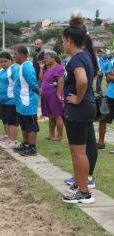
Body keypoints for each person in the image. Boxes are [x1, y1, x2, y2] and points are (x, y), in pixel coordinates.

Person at [61, 16, 97, 204]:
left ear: (68, 40)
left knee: (78, 152)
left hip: (80, 109)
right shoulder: (85, 55)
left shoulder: (77, 59)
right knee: (81, 149)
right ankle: (80, 185)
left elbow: (82, 80)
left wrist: (77, 98)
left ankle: (84, 192)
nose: (62, 44)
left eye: (62, 41)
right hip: (86, 108)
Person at [12, 46, 40, 156]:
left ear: (22, 55)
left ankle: (32, 148)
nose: (14, 56)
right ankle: (26, 144)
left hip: (28, 101)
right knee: (24, 124)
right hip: (21, 102)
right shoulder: (21, 66)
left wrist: (37, 89)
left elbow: (32, 82)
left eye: (15, 54)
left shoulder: (27, 66)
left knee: (31, 126)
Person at [39, 51, 65, 141]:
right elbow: (41, 79)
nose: (45, 59)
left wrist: (58, 93)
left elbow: (61, 81)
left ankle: (60, 136)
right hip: (46, 95)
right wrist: (42, 68)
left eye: (47, 58)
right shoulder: (48, 68)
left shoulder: (58, 68)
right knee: (50, 116)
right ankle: (51, 134)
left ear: (53, 58)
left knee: (57, 115)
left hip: (54, 95)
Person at [0, 52, 19, 149]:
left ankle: (13, 141)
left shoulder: (14, 70)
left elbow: (18, 83)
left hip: (11, 101)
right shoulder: (1, 71)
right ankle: (9, 139)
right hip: (2, 101)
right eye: (1, 62)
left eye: (5, 61)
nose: (3, 63)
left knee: (12, 122)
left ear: (11, 60)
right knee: (6, 121)